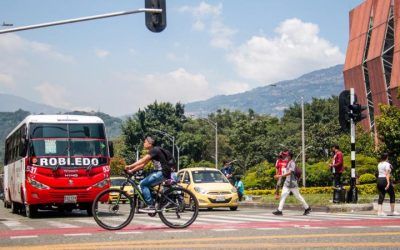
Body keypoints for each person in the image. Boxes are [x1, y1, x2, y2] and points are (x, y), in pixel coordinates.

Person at [124, 136, 171, 212]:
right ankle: (161, 201)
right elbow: (142, 165)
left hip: (162, 172)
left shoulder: (154, 150)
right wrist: (132, 170)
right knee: (147, 185)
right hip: (160, 172)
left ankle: (151, 205)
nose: (144, 143)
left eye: (145, 142)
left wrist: (130, 166)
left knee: (143, 184)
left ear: (150, 143)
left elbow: (142, 160)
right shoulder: (153, 151)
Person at [272, 151, 311, 216]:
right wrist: (279, 175)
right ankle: (279, 210)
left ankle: (307, 208)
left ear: (289, 156)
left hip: (292, 184)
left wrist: (280, 176)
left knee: (298, 196)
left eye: (286, 156)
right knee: (283, 196)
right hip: (287, 183)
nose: (285, 157)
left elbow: (290, 172)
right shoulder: (288, 162)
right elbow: (285, 172)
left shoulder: (292, 163)